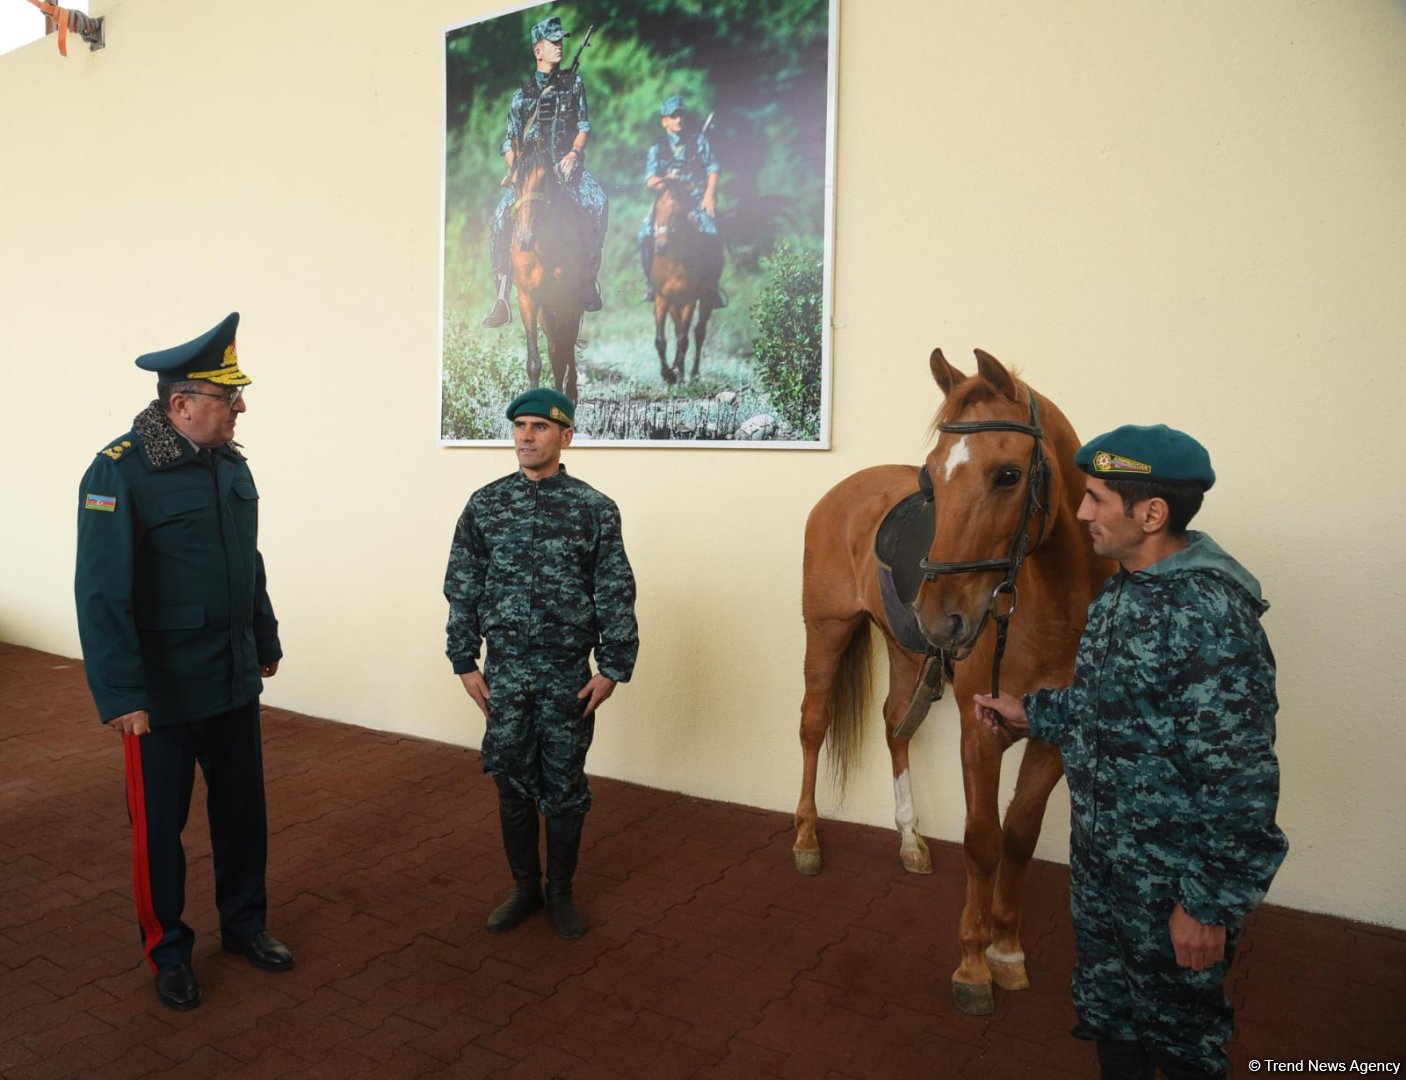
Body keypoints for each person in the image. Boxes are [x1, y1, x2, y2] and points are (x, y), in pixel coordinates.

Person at [975, 424, 1288, 1080]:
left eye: (1096, 500)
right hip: (1105, 872)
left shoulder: (1208, 615)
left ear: (1151, 514)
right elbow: (1107, 708)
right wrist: (1030, 713)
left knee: (1180, 1041)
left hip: (1168, 888)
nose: (1082, 512)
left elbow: (1240, 781)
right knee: (1113, 1021)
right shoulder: (1123, 592)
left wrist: (1207, 905)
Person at [73, 312, 294, 1012]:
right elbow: (101, 592)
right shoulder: (118, 472)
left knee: (242, 814)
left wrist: (263, 637)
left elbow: (246, 564)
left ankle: (245, 926)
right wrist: (121, 694)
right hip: (161, 697)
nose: (242, 407)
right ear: (181, 405)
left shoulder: (229, 464)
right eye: (230, 397)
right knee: (158, 832)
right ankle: (167, 949)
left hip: (229, 680)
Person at [444, 387, 638, 939]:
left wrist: (613, 666)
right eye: (520, 426)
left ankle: (561, 893)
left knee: (564, 784)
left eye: (539, 427)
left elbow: (614, 591)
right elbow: (463, 587)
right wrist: (464, 659)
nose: (526, 436)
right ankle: (525, 888)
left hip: (565, 675)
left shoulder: (593, 509)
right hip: (503, 671)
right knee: (509, 779)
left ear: (565, 435)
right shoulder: (485, 505)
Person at [483, 16, 608, 328]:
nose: (560, 47)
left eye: (561, 41)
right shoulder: (522, 95)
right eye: (553, 43)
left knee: (599, 201)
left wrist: (574, 153)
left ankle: (587, 281)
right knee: (499, 220)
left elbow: (583, 127)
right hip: (532, 176)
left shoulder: (574, 83)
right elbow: (507, 142)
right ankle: (501, 296)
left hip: (566, 169)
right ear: (538, 50)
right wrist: (516, 170)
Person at [639, 94, 725, 307]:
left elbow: (713, 167)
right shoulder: (657, 147)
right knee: (644, 235)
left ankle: (711, 287)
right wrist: (667, 180)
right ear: (664, 121)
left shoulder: (698, 140)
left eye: (680, 115)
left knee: (713, 233)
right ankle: (651, 283)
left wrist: (709, 194)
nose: (678, 119)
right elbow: (650, 180)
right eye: (673, 116)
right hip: (667, 201)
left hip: (695, 200)